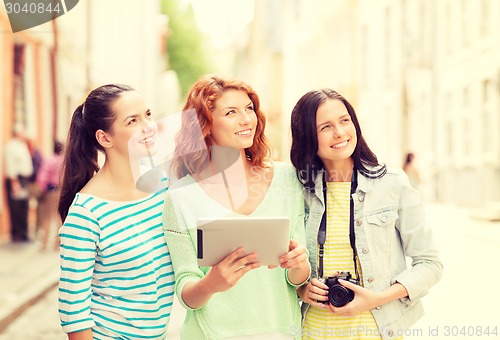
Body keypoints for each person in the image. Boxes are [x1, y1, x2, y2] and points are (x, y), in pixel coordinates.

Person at [163, 75, 310, 339]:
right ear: (204, 125)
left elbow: (298, 281)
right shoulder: (181, 197)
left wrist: (300, 265)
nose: (246, 119)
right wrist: (211, 284)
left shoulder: (287, 180)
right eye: (231, 112)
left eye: (249, 108)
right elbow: (186, 292)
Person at [290, 89, 443, 339]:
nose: (339, 133)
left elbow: (430, 264)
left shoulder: (392, 184)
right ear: (307, 136)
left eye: (344, 120)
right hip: (313, 331)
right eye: (325, 127)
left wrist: (377, 298)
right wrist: (302, 288)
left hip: (378, 332)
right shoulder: (298, 190)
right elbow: (283, 267)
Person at [57, 84, 174, 339]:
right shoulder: (86, 213)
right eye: (132, 121)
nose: (148, 126)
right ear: (104, 138)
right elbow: (73, 314)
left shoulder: (163, 187)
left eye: (148, 114)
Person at [3, 122, 33, 242]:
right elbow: (10, 166)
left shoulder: (23, 145)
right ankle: (16, 234)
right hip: (16, 180)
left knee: (23, 206)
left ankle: (24, 233)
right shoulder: (11, 146)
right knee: (15, 208)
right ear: (17, 133)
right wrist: (15, 183)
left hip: (24, 179)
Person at [36, 140, 64, 251]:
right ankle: (57, 244)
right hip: (61, 191)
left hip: (50, 190)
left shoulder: (49, 160)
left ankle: (44, 243)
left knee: (46, 218)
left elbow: (43, 176)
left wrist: (41, 189)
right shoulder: (64, 161)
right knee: (58, 218)